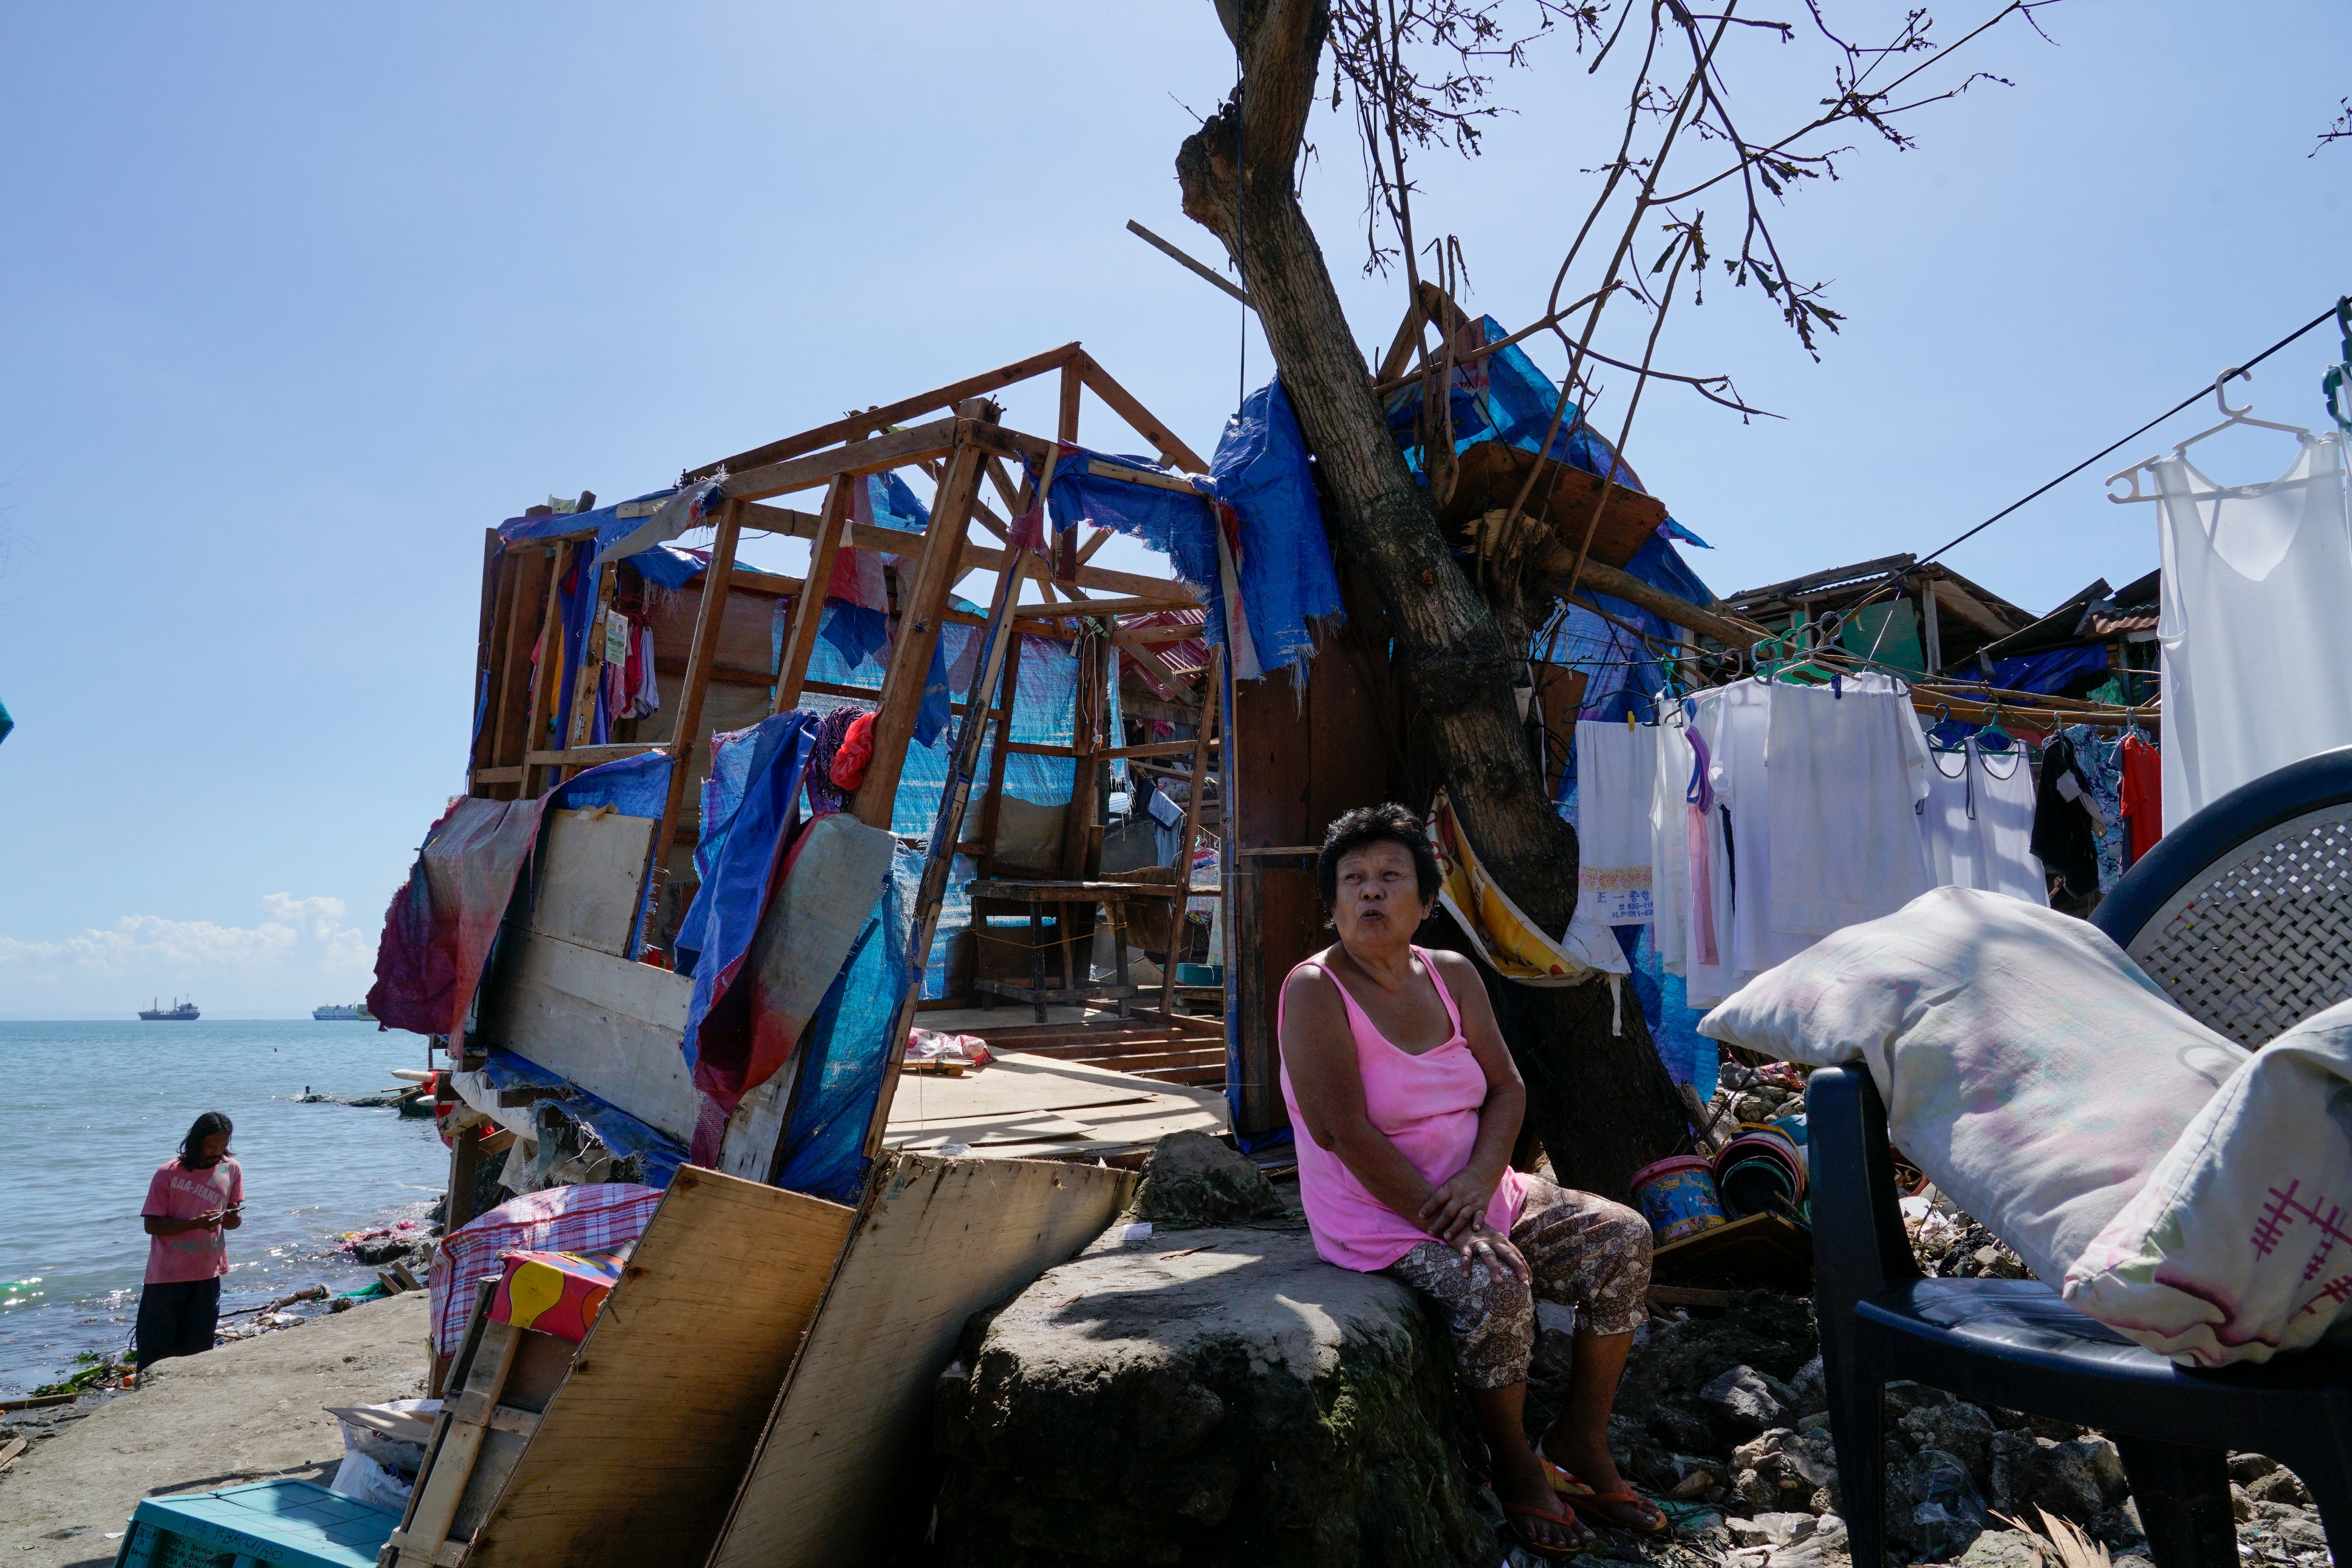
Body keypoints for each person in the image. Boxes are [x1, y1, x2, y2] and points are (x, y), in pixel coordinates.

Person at [1279, 803, 1662, 1561]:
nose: (1370, 893)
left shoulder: (1451, 974)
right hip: (1377, 1210)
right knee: (1495, 1282)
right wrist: (1455, 1219)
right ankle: (1514, 1465)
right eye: (1351, 880)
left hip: (1482, 1189)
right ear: (1331, 905)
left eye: (1391, 877)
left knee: (1624, 1236)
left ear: (1426, 901)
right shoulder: (1313, 988)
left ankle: (1580, 1440)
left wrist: (1484, 1176)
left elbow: (1507, 1088)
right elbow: (1341, 1131)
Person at [137, 1111, 243, 1376]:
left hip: (208, 1273)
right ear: (195, 1141)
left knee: (198, 1350)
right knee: (155, 1354)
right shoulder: (168, 1173)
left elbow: (234, 1214)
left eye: (222, 1145)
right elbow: (152, 1225)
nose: (217, 1152)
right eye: (211, 1146)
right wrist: (194, 1223)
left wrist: (232, 1219)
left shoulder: (229, 1168)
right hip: (166, 1278)